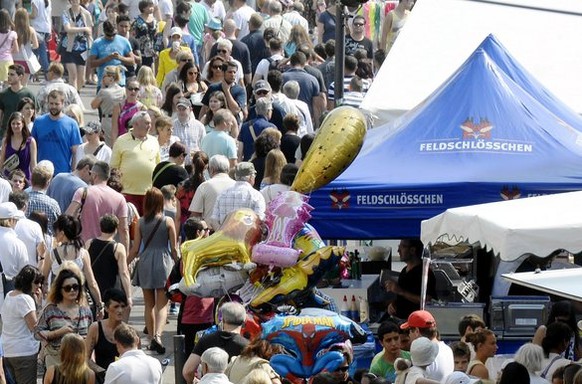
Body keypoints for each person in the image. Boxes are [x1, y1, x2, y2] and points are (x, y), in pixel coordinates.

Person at [127, 187, 178, 354]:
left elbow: (135, 249)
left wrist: (124, 264)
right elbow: (174, 250)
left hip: (146, 261)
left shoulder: (141, 222)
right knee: (163, 304)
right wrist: (180, 265)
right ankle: (158, 335)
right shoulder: (168, 221)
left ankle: (150, 339)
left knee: (149, 304)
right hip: (164, 262)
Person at [35, 265, 94, 368]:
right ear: (60, 290)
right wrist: (58, 332)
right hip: (57, 363)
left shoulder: (85, 311)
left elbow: (91, 338)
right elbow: (37, 333)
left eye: (75, 287)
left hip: (80, 363)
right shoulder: (51, 310)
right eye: (67, 288)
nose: (72, 290)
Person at [42, 215, 103, 312]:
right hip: (79, 300)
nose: (55, 235)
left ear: (62, 233)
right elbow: (92, 283)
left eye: (56, 232)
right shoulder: (82, 253)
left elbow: (43, 279)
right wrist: (99, 304)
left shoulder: (52, 254)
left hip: (58, 302)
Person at [65, 161, 129, 251]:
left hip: (84, 248)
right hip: (108, 250)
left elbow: (68, 217)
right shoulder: (120, 198)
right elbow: (124, 230)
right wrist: (124, 256)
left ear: (94, 175)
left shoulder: (83, 192)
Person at [183, 302, 250, 382]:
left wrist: (194, 382)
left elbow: (187, 371)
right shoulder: (247, 346)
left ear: (223, 320)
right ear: (244, 321)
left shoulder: (206, 340)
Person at [110, 110, 160, 215]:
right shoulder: (121, 141)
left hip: (148, 193)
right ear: (136, 123)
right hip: (127, 193)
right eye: (147, 123)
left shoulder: (154, 141)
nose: (150, 126)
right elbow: (113, 168)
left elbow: (158, 166)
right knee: (129, 226)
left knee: (147, 226)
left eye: (150, 123)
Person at [0, 265, 43, 384]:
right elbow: (35, 328)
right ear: (28, 282)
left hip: (8, 351)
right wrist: (39, 305)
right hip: (24, 353)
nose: (39, 285)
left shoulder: (9, 295)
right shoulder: (25, 299)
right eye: (37, 282)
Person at [32, 89, 83, 175]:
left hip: (62, 172)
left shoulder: (71, 124)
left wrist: (73, 173)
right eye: (51, 103)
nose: (54, 107)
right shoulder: (38, 122)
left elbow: (75, 152)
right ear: (47, 103)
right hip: (41, 172)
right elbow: (32, 147)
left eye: (57, 104)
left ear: (62, 104)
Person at [85, 215, 132, 306]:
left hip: (93, 288)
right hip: (112, 289)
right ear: (116, 229)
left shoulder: (89, 243)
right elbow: (124, 273)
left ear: (101, 227)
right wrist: (129, 296)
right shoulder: (118, 247)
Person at [385, 239, 437, 320]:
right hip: (400, 319)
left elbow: (428, 301)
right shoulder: (404, 271)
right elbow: (403, 298)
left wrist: (401, 291)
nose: (398, 251)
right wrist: (393, 305)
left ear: (412, 250)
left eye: (402, 247)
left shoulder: (425, 273)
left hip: (415, 322)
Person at [85, 288, 128, 379]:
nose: (120, 310)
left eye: (123, 306)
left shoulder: (129, 332)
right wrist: (103, 372)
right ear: (106, 308)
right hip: (101, 376)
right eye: (116, 307)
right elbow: (86, 358)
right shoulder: (96, 328)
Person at [400, 310, 454, 381]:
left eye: (409, 330)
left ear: (416, 331)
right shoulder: (447, 349)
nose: (409, 335)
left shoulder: (424, 355)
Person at [211, 162, 266, 226]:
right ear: (251, 177)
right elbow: (260, 219)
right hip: (246, 235)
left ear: (236, 176)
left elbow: (214, 220)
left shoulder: (222, 194)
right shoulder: (256, 196)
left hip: (224, 234)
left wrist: (220, 232)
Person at [61, 0, 93, 91]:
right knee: (73, 75)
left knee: (82, 79)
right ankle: (74, 97)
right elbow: (68, 29)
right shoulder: (65, 13)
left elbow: (90, 31)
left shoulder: (86, 13)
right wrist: (84, 29)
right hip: (69, 47)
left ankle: (76, 93)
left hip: (82, 48)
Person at [90, 66, 125, 147]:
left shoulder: (104, 92)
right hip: (120, 120)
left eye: (104, 76)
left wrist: (102, 87)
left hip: (107, 120)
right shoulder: (123, 90)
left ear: (111, 78)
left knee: (108, 145)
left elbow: (93, 105)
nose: (102, 78)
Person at [10, 191, 46, 265]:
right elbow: (41, 251)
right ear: (25, 206)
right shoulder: (35, 226)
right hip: (29, 271)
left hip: (6, 272)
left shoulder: (3, 225)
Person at [0, 65, 36, 138]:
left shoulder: (28, 94)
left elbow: (35, 114)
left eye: (12, 74)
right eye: (8, 74)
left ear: (20, 77)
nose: (9, 77)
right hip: (6, 134)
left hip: (24, 134)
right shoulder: (3, 94)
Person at [25, 162, 61, 233]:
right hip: (46, 242)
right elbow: (58, 228)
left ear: (31, 181)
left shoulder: (22, 201)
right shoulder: (53, 204)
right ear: (47, 183)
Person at [0, 112, 37, 181]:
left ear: (23, 124)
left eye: (18, 123)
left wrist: (35, 182)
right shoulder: (6, 141)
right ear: (10, 125)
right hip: (9, 180)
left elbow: (33, 165)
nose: (15, 126)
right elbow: (1, 162)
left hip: (24, 180)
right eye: (13, 123)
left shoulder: (31, 141)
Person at [238, 97, 276, 162]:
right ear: (268, 111)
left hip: (248, 164)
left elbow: (240, 150)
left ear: (256, 110)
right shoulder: (271, 127)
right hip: (265, 165)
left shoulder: (244, 126)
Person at [173, 97, 206, 163]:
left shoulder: (199, 126)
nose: (181, 111)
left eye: (184, 109)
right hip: (177, 164)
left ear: (191, 109)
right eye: (179, 109)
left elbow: (204, 146)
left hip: (194, 164)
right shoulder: (172, 126)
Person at [12, 9, 40, 87]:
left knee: (14, 85)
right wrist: (29, 46)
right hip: (26, 61)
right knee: (24, 86)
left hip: (13, 60)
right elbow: (36, 46)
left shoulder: (12, 30)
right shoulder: (31, 30)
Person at [131, 0, 157, 70]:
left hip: (151, 52)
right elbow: (133, 36)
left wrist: (156, 49)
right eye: (149, 6)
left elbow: (156, 36)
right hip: (140, 52)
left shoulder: (154, 21)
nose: (152, 8)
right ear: (143, 8)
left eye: (152, 6)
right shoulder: (137, 21)